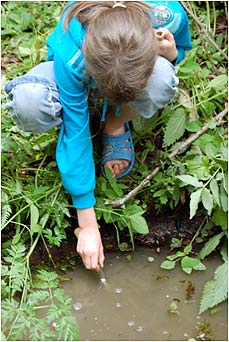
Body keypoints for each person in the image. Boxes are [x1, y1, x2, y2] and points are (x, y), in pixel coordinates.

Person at [5, 1, 192, 272]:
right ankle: (97, 104)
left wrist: (171, 54)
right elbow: (76, 129)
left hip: (126, 65)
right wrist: (88, 223)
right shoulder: (72, 47)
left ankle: (115, 123)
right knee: (30, 101)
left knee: (162, 78)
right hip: (76, 75)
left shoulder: (167, 15)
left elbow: (181, 52)